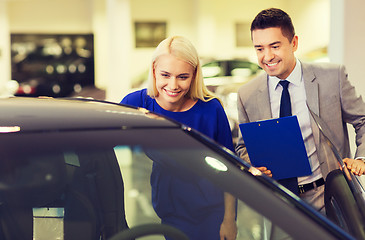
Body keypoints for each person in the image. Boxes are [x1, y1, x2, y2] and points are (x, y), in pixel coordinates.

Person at [235, 8, 365, 213]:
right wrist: (253, 165)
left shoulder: (332, 77)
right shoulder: (247, 95)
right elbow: (243, 147)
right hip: (279, 201)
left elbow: (363, 120)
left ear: (294, 43)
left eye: (274, 46)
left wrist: (361, 158)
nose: (267, 56)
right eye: (259, 48)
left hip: (329, 196)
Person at [121, 36, 237, 240]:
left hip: (212, 216)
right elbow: (97, 122)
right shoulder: (139, 103)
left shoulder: (211, 109)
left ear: (194, 75)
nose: (173, 85)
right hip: (170, 216)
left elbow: (229, 169)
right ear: (154, 69)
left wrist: (229, 220)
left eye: (182, 77)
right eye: (165, 75)